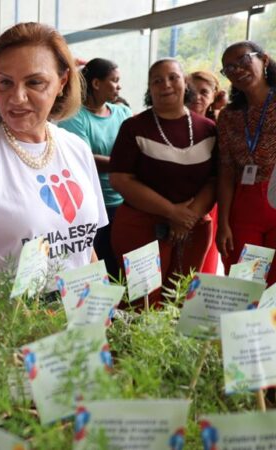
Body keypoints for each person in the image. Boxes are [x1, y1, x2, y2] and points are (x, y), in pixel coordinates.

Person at [0, 22, 107, 285]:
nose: (17, 97)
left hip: (79, 316)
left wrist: (101, 302)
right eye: (5, 83)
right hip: (11, 320)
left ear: (62, 82)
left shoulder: (77, 149)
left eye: (34, 82)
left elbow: (82, 244)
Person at [110, 59, 217, 306]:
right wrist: (172, 212)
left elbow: (214, 180)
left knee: (180, 300)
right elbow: (120, 179)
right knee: (142, 302)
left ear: (185, 82)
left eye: (173, 77)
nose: (165, 84)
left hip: (193, 227)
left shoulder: (209, 129)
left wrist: (187, 217)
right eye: (157, 80)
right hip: (140, 227)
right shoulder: (134, 127)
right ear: (150, 88)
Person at [59, 58, 132, 279]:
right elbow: (84, 159)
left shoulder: (123, 113)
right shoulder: (74, 118)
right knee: (96, 267)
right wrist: (123, 164)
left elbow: (135, 150)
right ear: (96, 84)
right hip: (90, 206)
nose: (119, 86)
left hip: (125, 201)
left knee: (122, 267)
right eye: (114, 80)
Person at [217, 41, 276, 285]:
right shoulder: (229, 116)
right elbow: (226, 170)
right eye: (228, 68)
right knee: (244, 282)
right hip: (244, 204)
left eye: (242, 60)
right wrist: (223, 223)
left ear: (263, 60)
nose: (236, 70)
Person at [186, 70, 224, 274]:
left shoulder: (219, 127)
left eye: (204, 92)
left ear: (213, 96)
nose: (197, 97)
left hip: (208, 204)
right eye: (191, 90)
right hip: (172, 203)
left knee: (203, 263)